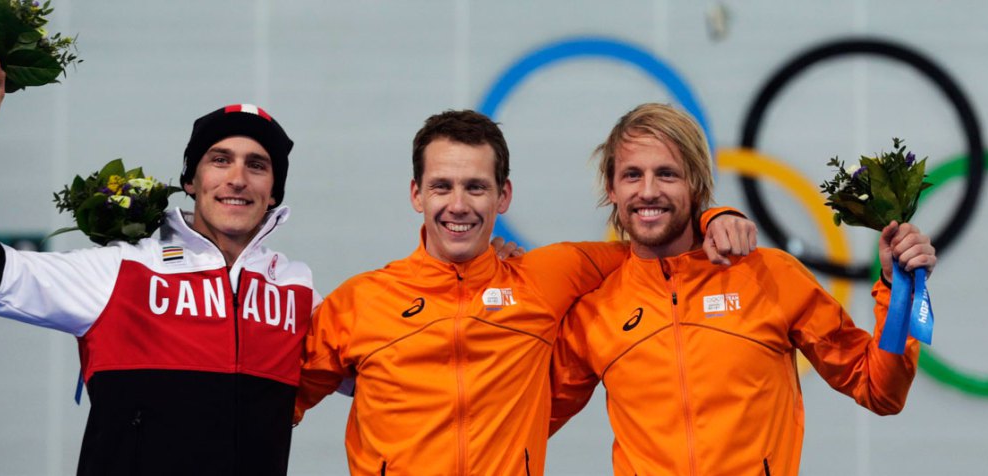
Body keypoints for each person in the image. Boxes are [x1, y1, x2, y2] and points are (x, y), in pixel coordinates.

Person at [294, 109, 756, 474]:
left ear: (504, 196)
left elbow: (655, 240)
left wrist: (711, 218)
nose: (458, 205)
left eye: (476, 187)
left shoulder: (545, 277)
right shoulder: (359, 302)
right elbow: (275, 402)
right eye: (442, 187)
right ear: (417, 194)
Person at [0, 58, 318, 475]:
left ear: (274, 191)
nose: (238, 178)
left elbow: (384, 361)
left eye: (257, 165)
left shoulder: (297, 292)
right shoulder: (122, 269)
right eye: (220, 160)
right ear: (191, 180)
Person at [549, 103, 937, 476]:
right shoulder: (596, 313)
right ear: (611, 189)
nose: (648, 191)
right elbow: (522, 418)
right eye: (632, 175)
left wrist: (895, 286)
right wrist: (489, 273)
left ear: (696, 186)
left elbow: (880, 389)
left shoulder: (769, 276)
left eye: (667, 174)